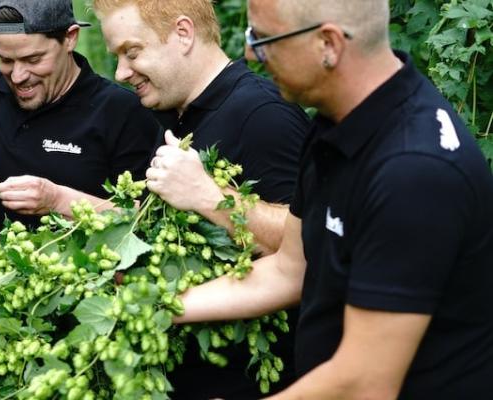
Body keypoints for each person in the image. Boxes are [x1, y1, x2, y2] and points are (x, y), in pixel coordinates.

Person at [171, 0, 493, 398]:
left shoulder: (413, 172)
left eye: (264, 38)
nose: (251, 52)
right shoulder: (338, 121)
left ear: (329, 44)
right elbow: (290, 270)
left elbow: (365, 383)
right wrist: (162, 306)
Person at [93, 0, 309, 397]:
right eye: (117, 57)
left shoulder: (263, 114)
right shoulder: (168, 113)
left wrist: (209, 196)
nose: (121, 72)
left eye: (132, 52)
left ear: (183, 33)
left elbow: (307, 245)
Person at [0, 0, 161, 234]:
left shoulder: (122, 112)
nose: (17, 76)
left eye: (33, 60)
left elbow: (147, 220)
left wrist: (59, 201)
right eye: (6, 60)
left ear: (70, 38)